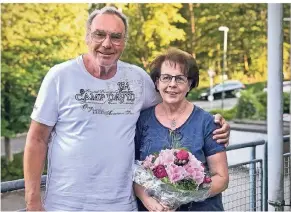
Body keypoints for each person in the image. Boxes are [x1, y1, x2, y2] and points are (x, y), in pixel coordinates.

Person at [23, 7, 230, 211]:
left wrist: (215, 123)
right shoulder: (60, 76)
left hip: (121, 204)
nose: (107, 43)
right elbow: (37, 139)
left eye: (115, 36)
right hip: (66, 204)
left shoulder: (137, 79)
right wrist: (33, 202)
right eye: (99, 34)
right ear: (87, 36)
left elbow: (174, 100)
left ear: (124, 42)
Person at [134, 48, 229, 211]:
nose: (172, 84)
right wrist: (147, 200)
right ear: (157, 82)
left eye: (179, 78)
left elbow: (222, 178)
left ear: (190, 84)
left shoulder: (207, 122)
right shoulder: (142, 120)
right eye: (166, 78)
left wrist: (184, 196)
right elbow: (133, 170)